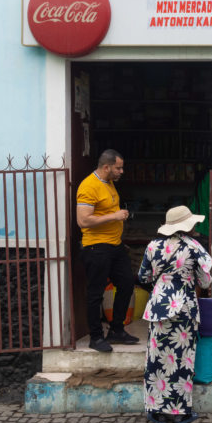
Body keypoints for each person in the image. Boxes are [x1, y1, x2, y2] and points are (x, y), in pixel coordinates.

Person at [137, 205, 212, 423]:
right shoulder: (194, 247)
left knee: (157, 358)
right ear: (187, 226)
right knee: (182, 359)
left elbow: (143, 277)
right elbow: (205, 281)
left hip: (159, 307)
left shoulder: (152, 246)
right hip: (185, 309)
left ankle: (156, 410)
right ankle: (180, 412)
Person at [76, 149, 140, 353]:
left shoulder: (109, 183)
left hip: (115, 245)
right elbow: (83, 220)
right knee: (96, 293)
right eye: (118, 168)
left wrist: (118, 216)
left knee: (127, 284)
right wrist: (114, 217)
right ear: (106, 167)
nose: (121, 171)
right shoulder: (89, 186)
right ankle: (96, 337)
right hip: (96, 247)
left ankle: (116, 330)